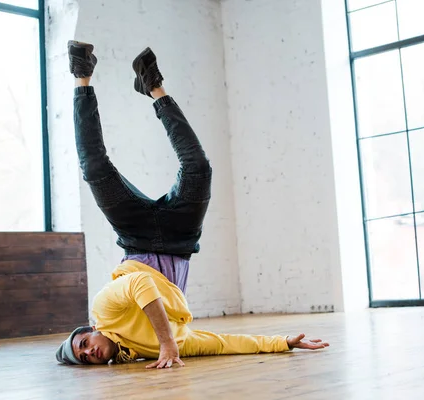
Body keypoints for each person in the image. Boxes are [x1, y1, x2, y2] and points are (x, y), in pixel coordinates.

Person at [56, 41, 329, 368]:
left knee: (95, 169)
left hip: (134, 234)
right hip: (180, 238)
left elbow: (140, 282)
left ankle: (81, 77)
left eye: (84, 343)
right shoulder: (149, 350)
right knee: (199, 168)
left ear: (92, 329)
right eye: (85, 358)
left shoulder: (103, 310)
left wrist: (167, 344)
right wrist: (283, 342)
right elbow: (220, 343)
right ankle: (153, 88)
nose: (89, 351)